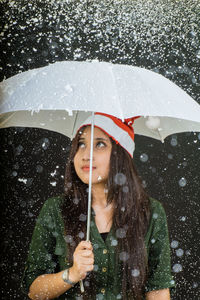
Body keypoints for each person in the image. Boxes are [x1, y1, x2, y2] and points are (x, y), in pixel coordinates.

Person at [22, 112, 175, 300]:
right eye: (81, 144)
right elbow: (35, 291)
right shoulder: (55, 210)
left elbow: (158, 290)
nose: (86, 155)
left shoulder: (151, 212)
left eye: (100, 144)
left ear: (121, 154)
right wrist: (72, 274)